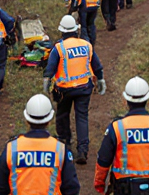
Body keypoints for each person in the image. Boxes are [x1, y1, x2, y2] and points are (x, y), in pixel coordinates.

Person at [44, 15, 105, 163]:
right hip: (84, 88)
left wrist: (46, 86)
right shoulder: (86, 45)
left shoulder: (59, 48)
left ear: (62, 32)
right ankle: (83, 150)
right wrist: (101, 80)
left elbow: (50, 69)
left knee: (62, 115)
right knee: (81, 117)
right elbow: (96, 65)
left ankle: (65, 144)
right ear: (76, 30)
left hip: (64, 90)